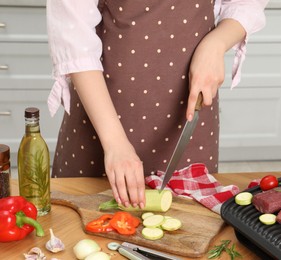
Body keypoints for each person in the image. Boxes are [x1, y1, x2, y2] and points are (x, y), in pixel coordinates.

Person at [46, 0, 269, 210]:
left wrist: (216, 43)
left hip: (188, 114)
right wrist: (114, 143)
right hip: (103, 117)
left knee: (190, 222)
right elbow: (74, 37)